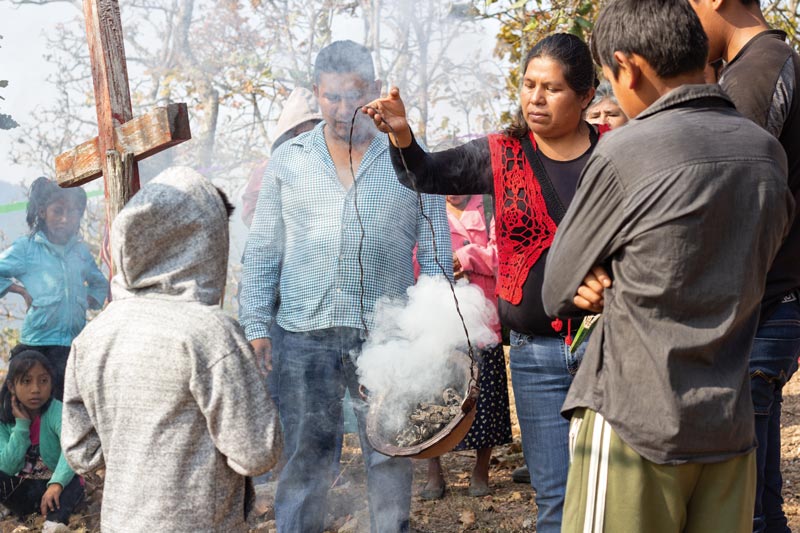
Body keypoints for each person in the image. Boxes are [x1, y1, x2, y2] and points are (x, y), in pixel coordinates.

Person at [541, 1, 794, 531]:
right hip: (728, 425)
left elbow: (557, 286)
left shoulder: (627, 152)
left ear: (626, 68)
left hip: (635, 419)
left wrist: (600, 273)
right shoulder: (766, 152)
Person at [365, 32, 604, 533]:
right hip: (537, 357)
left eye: (552, 88)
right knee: (554, 496)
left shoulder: (614, 157)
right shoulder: (502, 154)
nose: (535, 98)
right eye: (528, 84)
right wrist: (403, 136)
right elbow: (426, 175)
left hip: (609, 348)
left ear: (585, 96)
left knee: (612, 489)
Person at [239, 40, 451, 533]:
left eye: (352, 96)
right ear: (316, 93)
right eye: (330, 97)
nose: (341, 109)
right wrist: (255, 325)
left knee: (388, 451)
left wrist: (437, 329)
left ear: (374, 91)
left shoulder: (409, 160)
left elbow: (438, 251)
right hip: (303, 334)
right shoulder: (289, 162)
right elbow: (264, 250)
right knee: (307, 455)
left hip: (386, 333)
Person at [61, 167, 282, 533]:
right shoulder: (209, 333)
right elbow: (256, 453)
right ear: (204, 242)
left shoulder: (94, 337)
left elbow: (82, 453)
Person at [689, 2, 800, 530]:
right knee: (761, 496)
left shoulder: (759, 69)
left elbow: (727, 188)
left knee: (740, 505)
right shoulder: (762, 64)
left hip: (761, 305)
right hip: (767, 302)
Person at [420, 194, 512, 500]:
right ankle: (435, 472)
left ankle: (481, 470)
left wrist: (467, 257)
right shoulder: (426, 207)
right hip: (438, 318)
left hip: (483, 321)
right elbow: (415, 256)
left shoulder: (488, 206)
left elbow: (505, 254)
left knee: (485, 398)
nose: (450, 191)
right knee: (431, 396)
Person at [0, 177, 107, 400]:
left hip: (72, 348)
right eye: (58, 211)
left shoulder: (80, 252)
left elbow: (99, 283)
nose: (65, 219)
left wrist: (84, 300)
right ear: (41, 212)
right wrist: (19, 290)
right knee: (27, 414)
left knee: (67, 413)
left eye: (73, 212)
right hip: (37, 347)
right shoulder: (27, 249)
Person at [0, 350, 83, 533]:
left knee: (75, 481)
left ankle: (53, 524)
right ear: (12, 386)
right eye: (26, 381)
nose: (36, 389)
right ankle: (18, 512)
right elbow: (6, 466)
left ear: (51, 383)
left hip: (55, 490)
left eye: (43, 381)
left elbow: (70, 449)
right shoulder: (4, 420)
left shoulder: (57, 411)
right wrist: (21, 426)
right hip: (24, 489)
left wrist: (57, 483)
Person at [241, 87, 323, 227]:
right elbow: (251, 209)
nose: (305, 139)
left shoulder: (335, 164)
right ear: (290, 135)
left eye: (310, 132)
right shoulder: (269, 169)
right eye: (298, 133)